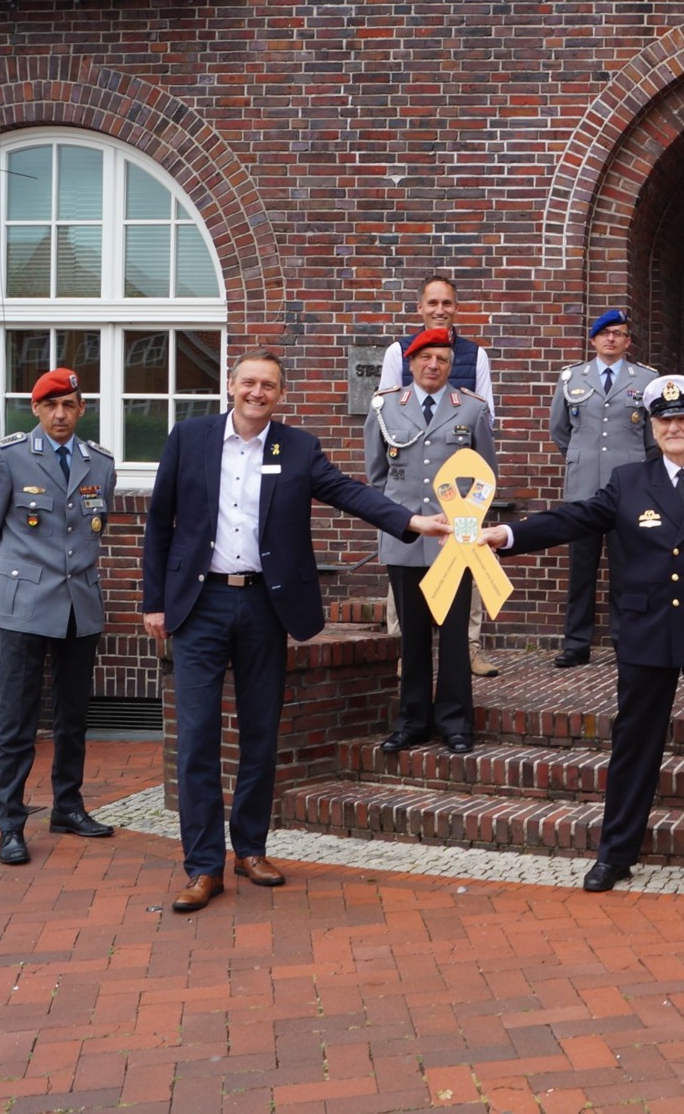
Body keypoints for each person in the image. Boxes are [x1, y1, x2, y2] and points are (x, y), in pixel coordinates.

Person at [144, 351, 449, 914]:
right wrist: (153, 602)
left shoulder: (297, 448)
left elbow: (349, 492)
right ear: (231, 385)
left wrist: (411, 521)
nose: (258, 393)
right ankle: (203, 865)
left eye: (269, 386)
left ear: (281, 394)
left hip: (265, 605)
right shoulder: (188, 438)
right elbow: (160, 521)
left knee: (261, 735)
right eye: (249, 383)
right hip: (199, 605)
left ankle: (251, 848)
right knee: (197, 740)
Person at [482, 375, 684, 894]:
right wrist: (508, 534)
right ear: (652, 428)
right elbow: (576, 518)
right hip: (648, 628)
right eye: (664, 420)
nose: (674, 427)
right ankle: (616, 853)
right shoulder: (629, 480)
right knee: (634, 745)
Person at [0, 368, 117, 865]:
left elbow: (93, 530)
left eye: (70, 405)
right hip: (26, 606)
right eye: (51, 405)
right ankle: (10, 822)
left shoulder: (99, 462)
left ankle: (67, 805)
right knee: (18, 719)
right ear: (35, 409)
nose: (61, 414)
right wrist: (19, 585)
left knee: (73, 716)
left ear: (81, 409)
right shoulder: (8, 457)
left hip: (80, 605)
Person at [365, 328, 497, 756]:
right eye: (425, 358)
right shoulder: (386, 407)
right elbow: (377, 477)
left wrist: (469, 526)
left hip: (454, 543)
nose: (433, 365)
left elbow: (485, 475)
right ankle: (412, 720)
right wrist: (406, 519)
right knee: (413, 634)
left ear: (449, 363)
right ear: (411, 362)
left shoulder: (472, 409)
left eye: (441, 358)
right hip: (405, 538)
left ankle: (456, 722)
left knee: (455, 634)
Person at [378, 274, 501, 677]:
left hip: (460, 495)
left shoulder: (474, 354)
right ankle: (404, 651)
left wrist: (468, 498)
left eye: (447, 303)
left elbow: (487, 420)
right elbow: (387, 422)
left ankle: (468, 648)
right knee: (405, 585)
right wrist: (395, 502)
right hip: (409, 496)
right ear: (420, 307)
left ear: (456, 308)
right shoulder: (398, 352)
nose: (439, 310)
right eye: (432, 303)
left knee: (466, 580)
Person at [547, 308, 658, 667]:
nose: (611, 339)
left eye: (619, 333)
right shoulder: (570, 378)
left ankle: (625, 640)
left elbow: (652, 438)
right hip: (583, 489)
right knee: (581, 569)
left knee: (626, 568)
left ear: (628, 341)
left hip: (628, 487)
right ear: (593, 339)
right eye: (605, 333)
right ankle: (576, 644)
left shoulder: (646, 380)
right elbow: (560, 431)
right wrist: (584, 457)